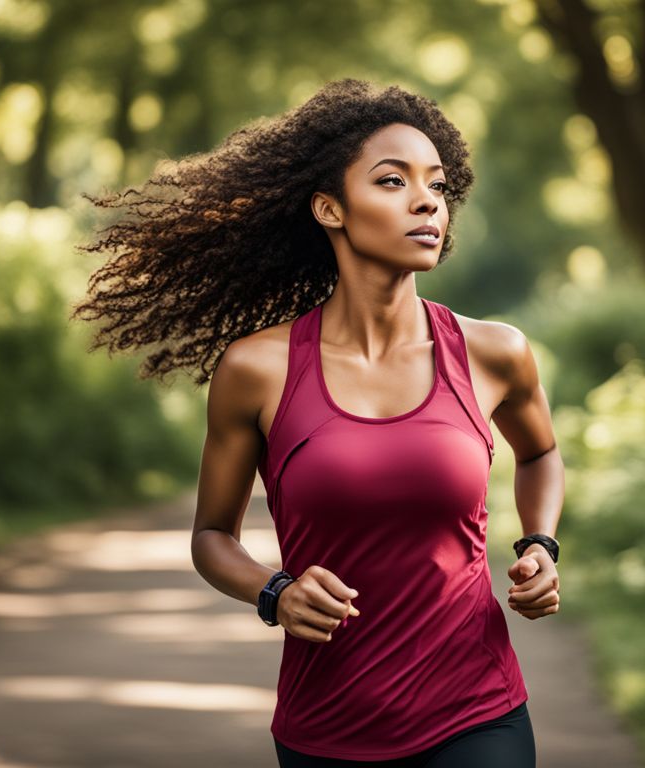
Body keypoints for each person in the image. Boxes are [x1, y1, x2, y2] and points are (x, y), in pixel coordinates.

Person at [73, 78, 564, 767]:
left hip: (477, 713)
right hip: (326, 724)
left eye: (438, 186)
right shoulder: (258, 369)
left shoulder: (493, 353)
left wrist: (540, 543)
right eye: (393, 181)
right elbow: (212, 537)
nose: (428, 201)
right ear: (329, 208)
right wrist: (274, 593)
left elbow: (540, 454)